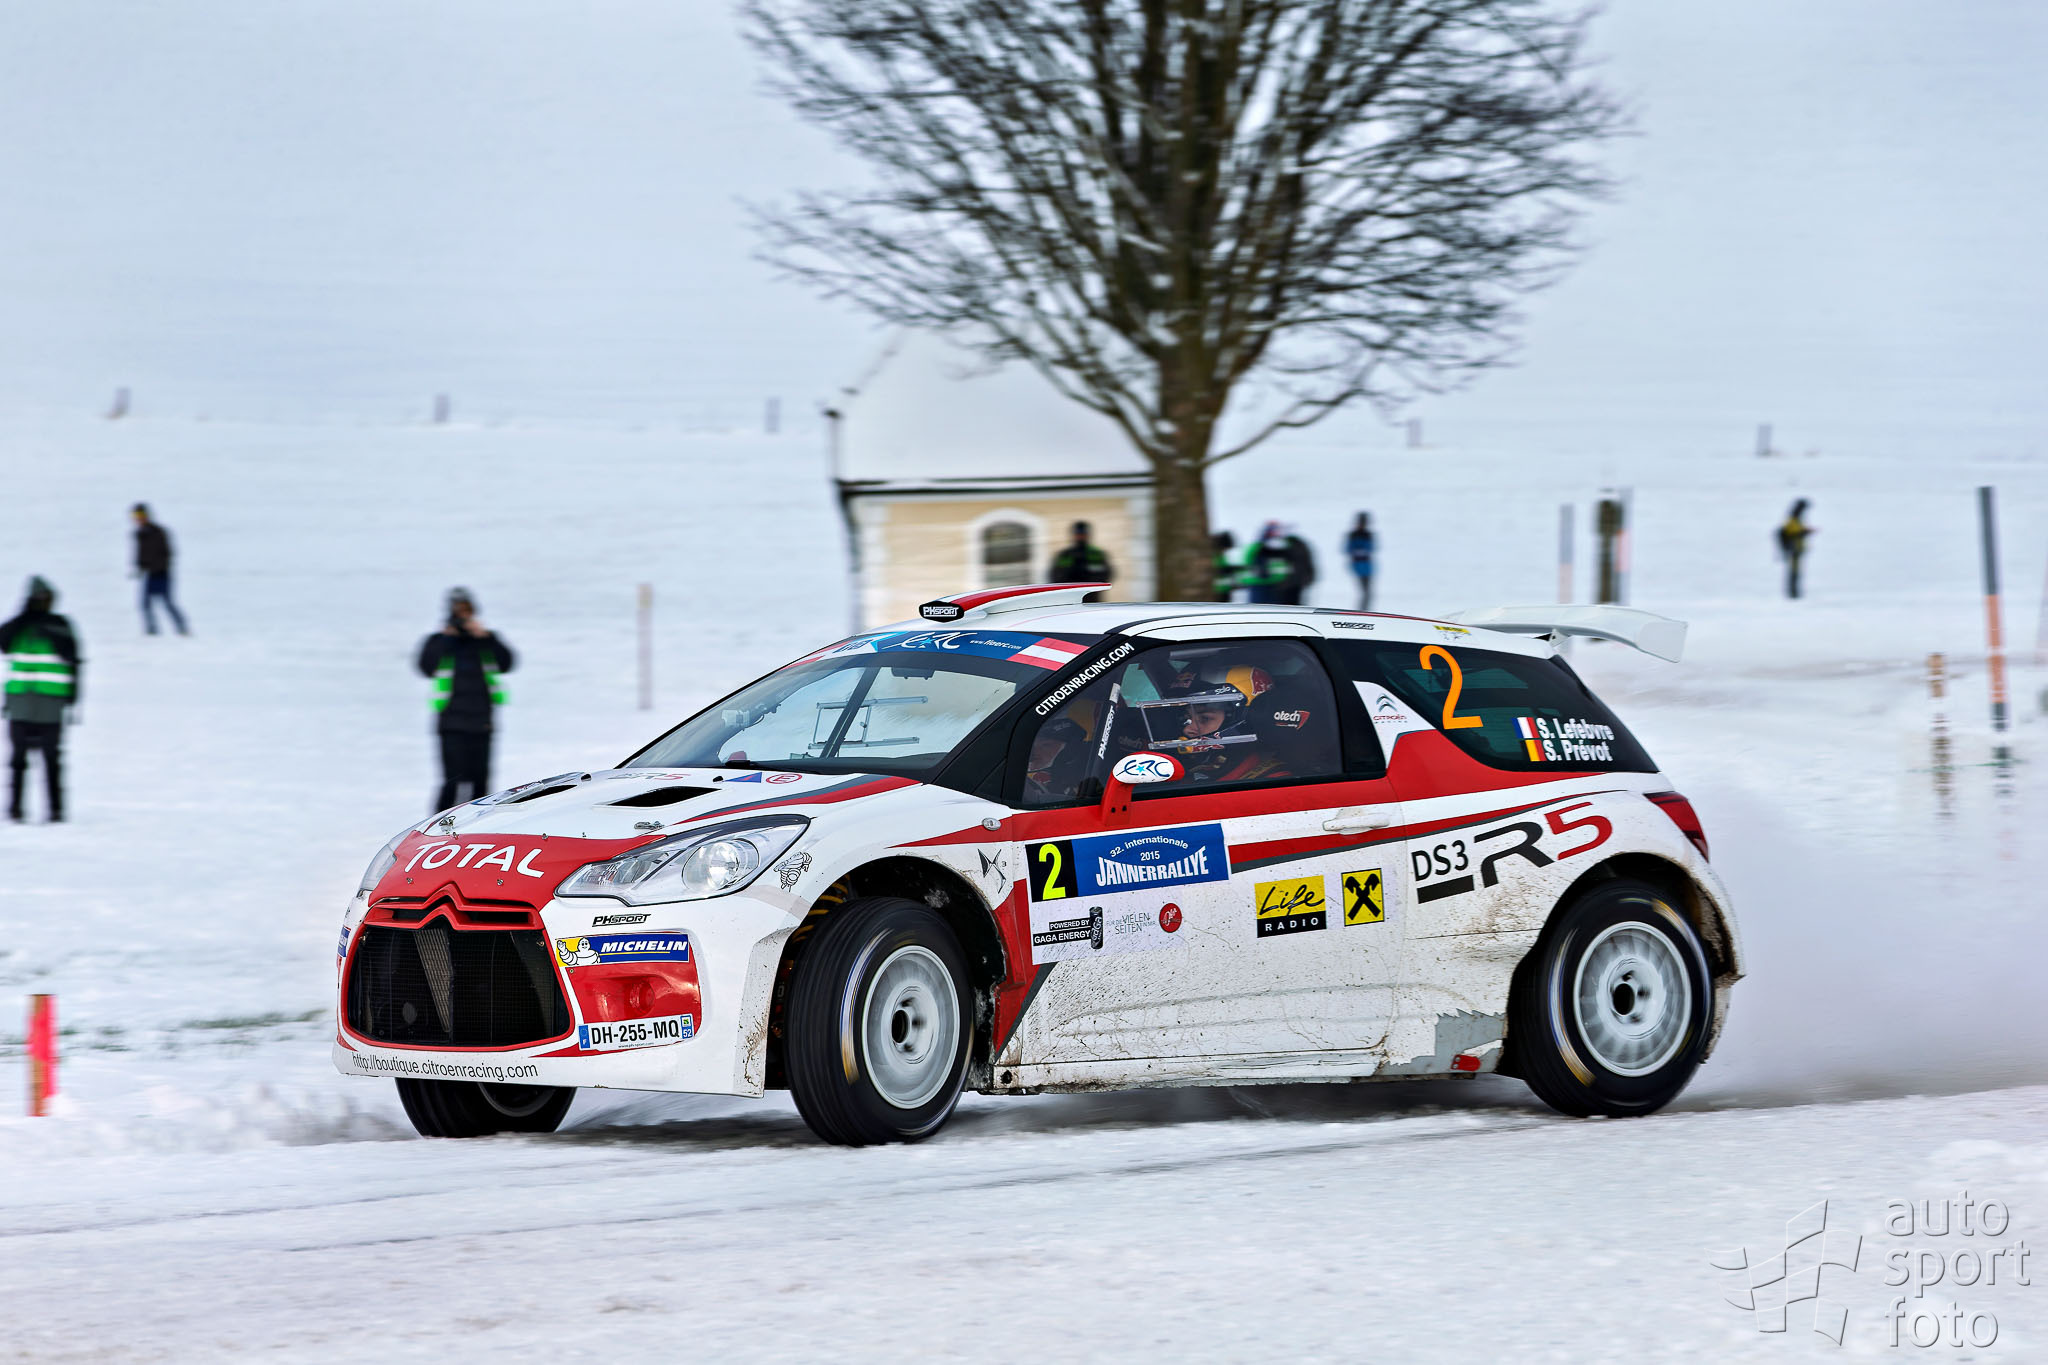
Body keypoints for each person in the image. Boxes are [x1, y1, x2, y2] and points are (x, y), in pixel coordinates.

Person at [417, 588, 516, 811]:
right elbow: (425, 667)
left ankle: (481, 824)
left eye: (466, 612)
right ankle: (441, 825)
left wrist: (485, 637)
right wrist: (446, 639)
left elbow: (507, 663)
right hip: (451, 724)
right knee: (451, 783)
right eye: (458, 613)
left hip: (482, 723)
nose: (463, 618)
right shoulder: (439, 640)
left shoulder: (485, 640)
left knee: (481, 784)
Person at [1, 577, 81, 823]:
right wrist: (24, 617)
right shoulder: (19, 626)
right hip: (22, 704)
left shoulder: (59, 625)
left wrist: (73, 697)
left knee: (51, 760)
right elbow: (3, 642)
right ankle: (16, 810)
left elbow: (73, 658)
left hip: (47, 705)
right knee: (18, 761)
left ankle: (55, 811)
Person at [131, 503, 189, 636]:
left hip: (162, 574)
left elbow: (168, 553)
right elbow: (141, 553)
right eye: (136, 515)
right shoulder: (139, 534)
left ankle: (182, 627)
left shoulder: (158, 532)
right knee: (145, 604)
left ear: (147, 515)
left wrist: (159, 565)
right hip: (150, 574)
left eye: (140, 515)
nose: (138, 518)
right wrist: (140, 566)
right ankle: (152, 630)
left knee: (168, 603)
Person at [1047, 521, 1112, 584]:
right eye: (1078, 534)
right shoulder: (1065, 554)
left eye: (1083, 534)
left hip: (1091, 589)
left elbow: (1105, 574)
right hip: (1071, 589)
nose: (1080, 537)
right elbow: (1056, 575)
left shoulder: (1096, 554)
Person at [1777, 499, 1814, 599]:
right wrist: (1804, 532)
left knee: (1796, 572)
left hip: (1796, 549)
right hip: (1794, 550)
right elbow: (1793, 534)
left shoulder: (1795, 520)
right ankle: (1793, 593)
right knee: (1794, 572)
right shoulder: (1793, 520)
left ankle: (1794, 593)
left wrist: (1804, 532)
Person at [1344, 512, 1376, 610]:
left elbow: (1371, 548)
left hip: (1366, 566)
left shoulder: (1368, 535)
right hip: (1358, 565)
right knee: (1364, 591)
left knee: (1367, 591)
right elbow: (1348, 549)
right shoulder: (1353, 535)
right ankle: (1362, 610)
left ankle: (1365, 610)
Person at [1210, 530, 1238, 602]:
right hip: (1217, 592)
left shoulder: (1221, 556)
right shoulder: (1214, 556)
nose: (1225, 551)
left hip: (1224, 590)